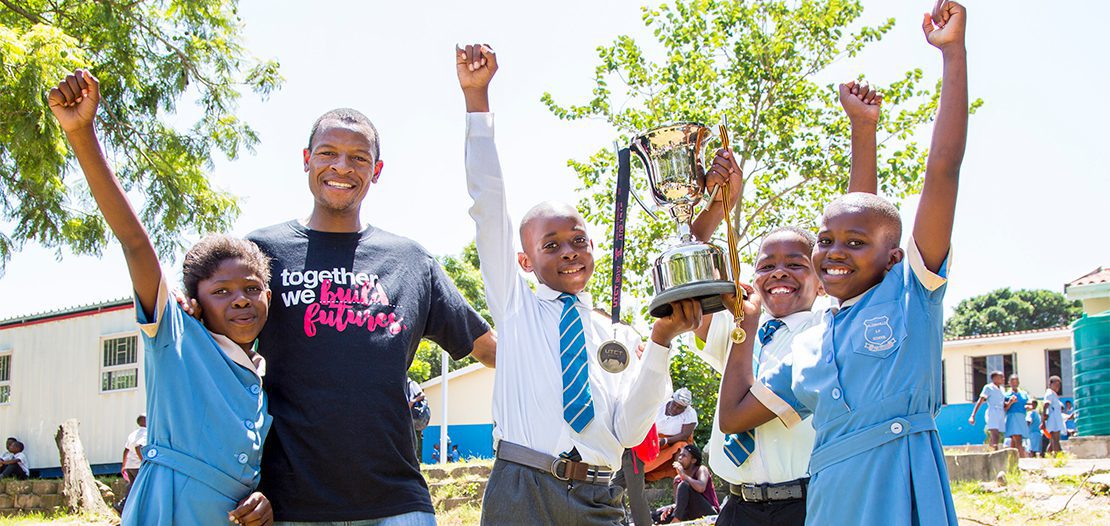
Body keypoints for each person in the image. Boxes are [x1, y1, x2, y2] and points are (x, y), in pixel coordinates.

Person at [720, 2, 969, 523]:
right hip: (830, 502)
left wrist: (951, 55)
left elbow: (942, 170)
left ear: (895, 257)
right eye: (824, 241)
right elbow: (735, 416)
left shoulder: (910, 297)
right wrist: (744, 328)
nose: (834, 252)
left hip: (900, 493)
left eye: (853, 246)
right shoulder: (809, 341)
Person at [459, 43, 710, 525]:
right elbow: (488, 207)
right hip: (522, 491)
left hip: (599, 496)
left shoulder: (618, 336)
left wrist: (658, 344)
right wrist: (477, 101)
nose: (569, 250)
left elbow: (631, 431)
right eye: (550, 245)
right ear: (523, 261)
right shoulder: (516, 310)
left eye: (578, 239)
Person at [245, 102, 495, 522]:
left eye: (358, 158)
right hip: (289, 503)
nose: (342, 167)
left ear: (376, 171)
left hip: (396, 502)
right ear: (307, 160)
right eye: (328, 153)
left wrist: (579, 359)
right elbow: (210, 348)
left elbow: (490, 349)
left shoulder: (411, 261)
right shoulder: (261, 254)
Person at [47, 69, 273, 525]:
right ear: (195, 301)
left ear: (268, 294)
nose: (241, 300)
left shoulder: (265, 375)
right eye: (222, 291)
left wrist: (263, 500)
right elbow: (135, 243)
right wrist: (81, 135)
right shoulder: (177, 342)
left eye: (252, 289)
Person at [693, 77, 881, 526]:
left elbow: (864, 221)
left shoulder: (830, 330)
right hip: (736, 508)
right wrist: (720, 206)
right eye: (765, 264)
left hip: (808, 504)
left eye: (797, 264)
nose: (778, 272)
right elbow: (687, 273)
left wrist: (862, 129)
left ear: (822, 278)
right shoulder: (739, 325)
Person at [651, 444, 719, 524]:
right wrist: (671, 507)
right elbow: (680, 504)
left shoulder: (701, 469)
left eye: (684, 456)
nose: (680, 458)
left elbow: (701, 487)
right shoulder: (677, 479)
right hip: (689, 514)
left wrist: (684, 476)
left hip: (709, 513)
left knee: (684, 485)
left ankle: (676, 521)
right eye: (680, 455)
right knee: (657, 514)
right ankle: (674, 520)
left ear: (693, 460)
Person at [643, 388, 698, 482]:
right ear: (672, 400)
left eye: (679, 408)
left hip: (674, 442)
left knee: (682, 447)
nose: (675, 409)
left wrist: (665, 441)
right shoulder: (660, 405)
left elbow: (685, 435)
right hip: (654, 440)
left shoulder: (690, 414)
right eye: (674, 405)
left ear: (685, 408)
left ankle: (682, 477)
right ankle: (642, 472)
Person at [116, 414, 148, 513]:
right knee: (141, 487)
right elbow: (138, 447)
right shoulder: (145, 433)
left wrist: (124, 466)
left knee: (133, 487)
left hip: (130, 465)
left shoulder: (133, 433)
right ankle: (123, 506)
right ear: (146, 421)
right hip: (138, 465)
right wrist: (144, 461)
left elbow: (126, 450)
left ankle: (125, 507)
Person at [969, 371, 1006, 450]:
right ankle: (994, 451)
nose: (1003, 379)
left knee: (998, 435)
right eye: (1001, 377)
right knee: (994, 433)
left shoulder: (1002, 389)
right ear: (994, 379)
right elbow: (981, 400)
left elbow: (1003, 403)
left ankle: (991, 450)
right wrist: (973, 415)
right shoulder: (988, 387)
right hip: (993, 412)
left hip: (1001, 412)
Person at [1003, 375, 1028, 457]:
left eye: (1016, 381)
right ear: (1009, 383)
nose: (1015, 383)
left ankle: (1011, 459)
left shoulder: (1024, 394)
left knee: (1014, 441)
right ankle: (1022, 458)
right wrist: (1011, 402)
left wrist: (1028, 407)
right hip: (1013, 417)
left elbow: (1028, 404)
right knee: (1018, 439)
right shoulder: (1006, 395)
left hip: (1022, 417)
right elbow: (1005, 408)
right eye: (1012, 381)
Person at [407, 377, 430, 460]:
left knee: (411, 436)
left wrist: (412, 402)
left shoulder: (411, 383)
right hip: (407, 416)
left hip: (414, 414)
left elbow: (422, 395)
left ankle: (413, 458)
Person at [1042, 376, 1066, 454]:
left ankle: (1049, 455)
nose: (1057, 387)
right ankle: (1057, 454)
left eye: (1059, 385)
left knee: (1053, 440)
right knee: (1055, 439)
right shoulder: (1049, 393)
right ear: (1050, 384)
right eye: (1055, 385)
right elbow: (1046, 404)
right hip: (1053, 419)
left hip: (1056, 419)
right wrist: (1043, 420)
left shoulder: (1054, 394)